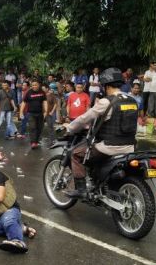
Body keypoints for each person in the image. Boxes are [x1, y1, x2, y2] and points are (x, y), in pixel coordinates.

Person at [63, 68, 137, 198]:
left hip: (109, 147)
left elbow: (84, 118)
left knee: (75, 154)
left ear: (107, 86)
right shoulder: (131, 101)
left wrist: (70, 127)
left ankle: (81, 190)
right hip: (130, 147)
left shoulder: (106, 102)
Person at [21, 80, 48, 149]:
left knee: (39, 128)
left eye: (35, 85)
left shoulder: (42, 92)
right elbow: (24, 102)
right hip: (31, 113)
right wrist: (21, 112)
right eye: (33, 85)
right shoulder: (28, 92)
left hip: (40, 113)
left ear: (38, 85)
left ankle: (36, 141)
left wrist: (46, 111)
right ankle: (33, 142)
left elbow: (45, 101)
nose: (34, 86)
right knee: (32, 127)